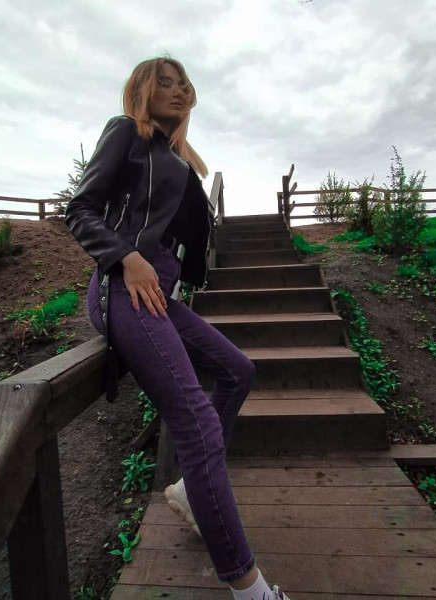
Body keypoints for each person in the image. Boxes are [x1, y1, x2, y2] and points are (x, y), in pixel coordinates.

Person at [65, 56, 291, 600]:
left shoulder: (177, 158)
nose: (179, 89)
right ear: (141, 90)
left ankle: (193, 489)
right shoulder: (126, 132)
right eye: (164, 82)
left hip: (159, 293)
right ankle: (251, 591)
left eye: (184, 84)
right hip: (125, 286)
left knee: (237, 371)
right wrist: (126, 257)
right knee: (197, 422)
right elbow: (80, 209)